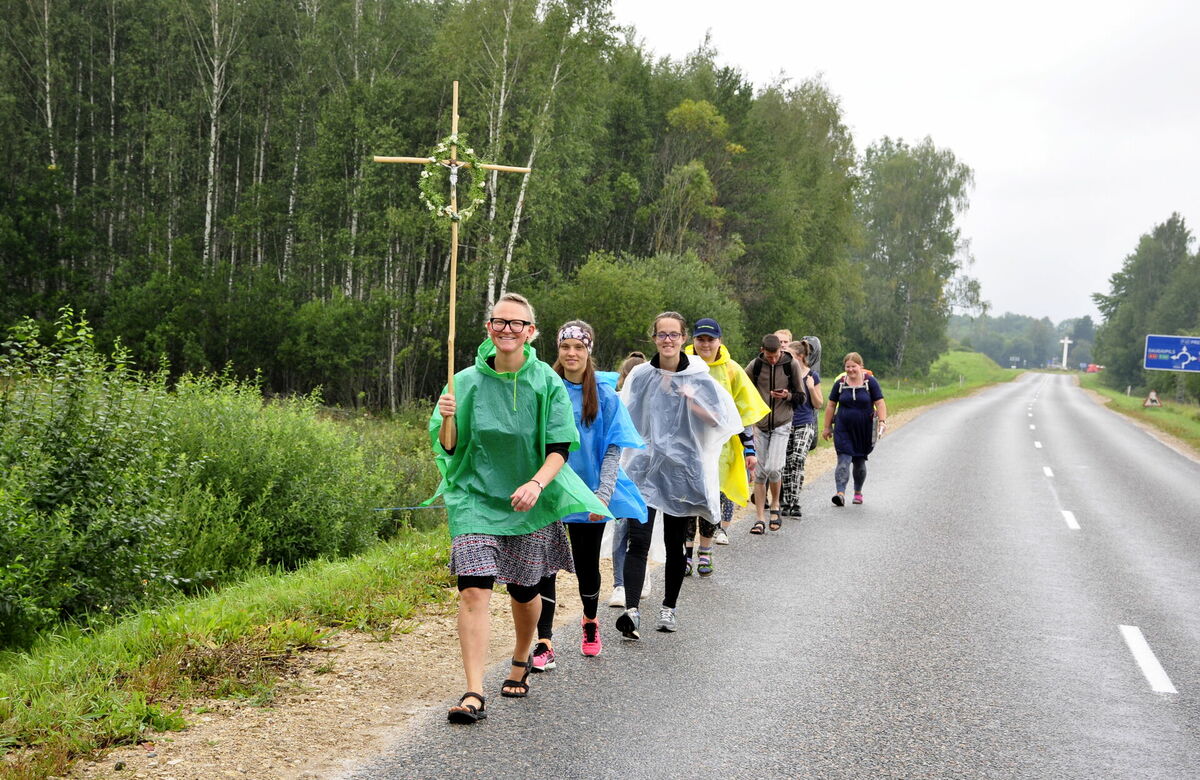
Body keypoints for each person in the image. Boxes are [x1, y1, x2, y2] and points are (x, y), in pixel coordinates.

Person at [431, 293, 610, 724]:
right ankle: (474, 690)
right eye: (499, 322)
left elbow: (559, 448)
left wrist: (535, 483)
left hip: (529, 500)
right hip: (474, 497)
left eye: (517, 324)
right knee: (473, 589)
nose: (507, 330)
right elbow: (449, 448)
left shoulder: (545, 382)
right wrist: (448, 416)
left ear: (530, 332)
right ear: (489, 328)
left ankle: (520, 656)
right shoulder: (464, 381)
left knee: (525, 591)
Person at [533, 322, 647, 670]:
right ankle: (544, 641)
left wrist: (602, 495)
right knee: (545, 567)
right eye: (565, 346)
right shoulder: (545, 388)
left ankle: (590, 622)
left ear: (588, 351)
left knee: (586, 565)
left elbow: (613, 450)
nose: (571, 353)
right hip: (550, 493)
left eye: (578, 347)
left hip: (589, 495)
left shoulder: (605, 395)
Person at [618, 312, 741, 636]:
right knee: (638, 540)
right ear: (654, 338)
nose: (668, 340)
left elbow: (721, 420)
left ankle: (668, 609)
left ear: (683, 338)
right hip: (644, 468)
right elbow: (625, 418)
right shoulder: (642, 376)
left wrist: (693, 401)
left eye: (674, 334)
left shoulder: (699, 377)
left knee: (675, 544)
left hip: (682, 471)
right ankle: (631, 611)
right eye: (662, 335)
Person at [683, 318, 768, 571]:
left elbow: (742, 411)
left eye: (710, 340)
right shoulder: (682, 364)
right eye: (700, 339)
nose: (705, 344)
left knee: (711, 499)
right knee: (687, 501)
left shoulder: (731, 369)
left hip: (721, 448)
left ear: (719, 341)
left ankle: (705, 550)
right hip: (686, 444)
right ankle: (686, 553)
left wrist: (749, 449)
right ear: (693, 340)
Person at [744, 334, 805, 534]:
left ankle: (776, 504)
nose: (773, 359)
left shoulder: (791, 364)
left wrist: (786, 395)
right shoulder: (756, 365)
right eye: (769, 356)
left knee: (773, 468)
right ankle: (759, 518)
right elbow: (743, 388)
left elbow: (801, 396)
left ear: (781, 350)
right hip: (760, 424)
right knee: (760, 473)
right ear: (763, 350)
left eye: (776, 355)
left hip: (782, 422)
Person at [609, 352, 651, 608]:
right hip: (620, 473)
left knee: (639, 531)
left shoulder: (653, 401)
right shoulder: (614, 400)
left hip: (646, 475)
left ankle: (639, 577)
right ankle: (619, 584)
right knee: (621, 529)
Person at [822, 352, 887, 506]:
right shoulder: (840, 384)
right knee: (843, 460)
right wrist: (827, 427)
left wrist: (882, 421)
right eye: (847, 367)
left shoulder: (870, 382)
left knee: (859, 462)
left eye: (854, 366)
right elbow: (831, 405)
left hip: (864, 429)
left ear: (861, 366)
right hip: (843, 428)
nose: (850, 370)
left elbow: (880, 403)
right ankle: (840, 493)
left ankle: (858, 492)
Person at [778, 337, 824, 520]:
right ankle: (787, 502)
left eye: (789, 355)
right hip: (786, 422)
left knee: (797, 459)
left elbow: (818, 403)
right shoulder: (785, 375)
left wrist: (811, 389)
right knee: (786, 463)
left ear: (800, 356)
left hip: (805, 423)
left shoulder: (812, 376)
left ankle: (795, 501)